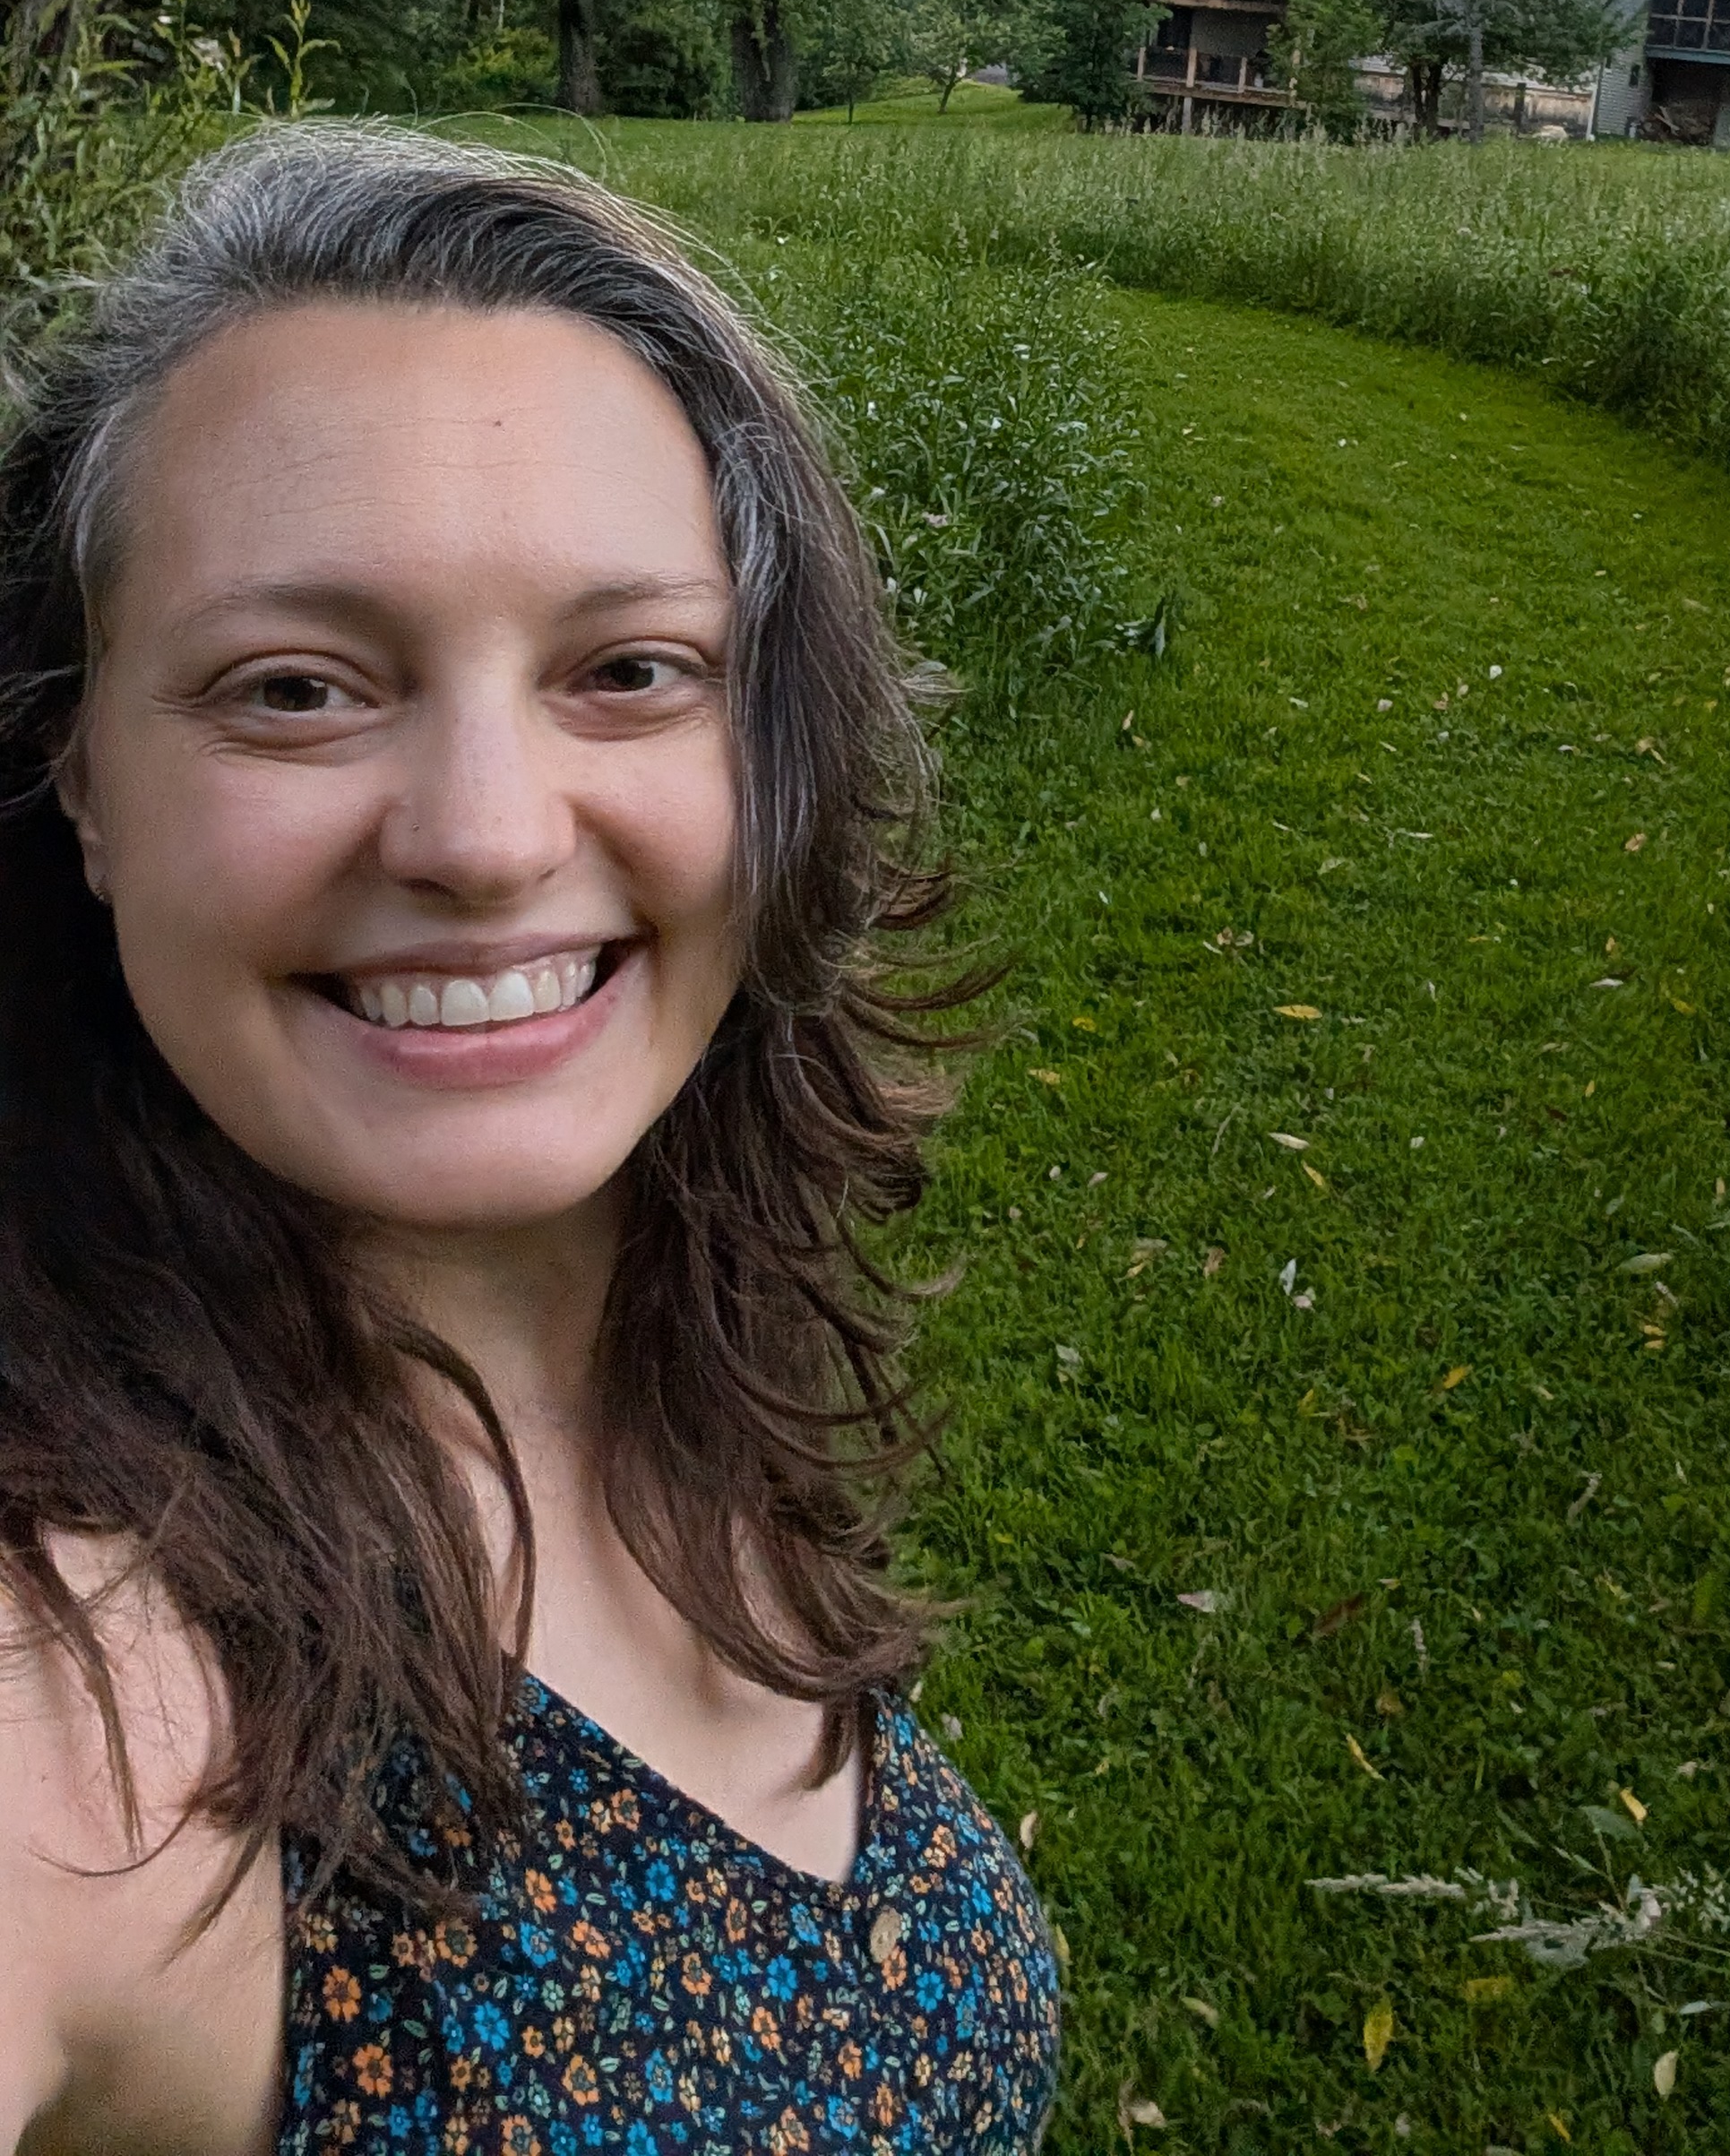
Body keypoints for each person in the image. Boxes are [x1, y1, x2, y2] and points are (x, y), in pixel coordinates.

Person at [0, 125, 1059, 2153]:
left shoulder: (667, 1364)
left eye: (628, 672)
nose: (487, 837)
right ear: (83, 776)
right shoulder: (82, 1697)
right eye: (300, 689)